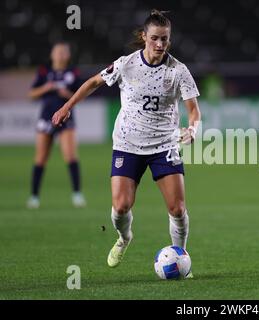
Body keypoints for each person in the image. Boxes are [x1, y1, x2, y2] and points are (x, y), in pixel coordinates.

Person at [52, 10, 201, 275]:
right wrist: (67, 106)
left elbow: (193, 111)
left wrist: (193, 129)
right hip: (127, 145)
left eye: (165, 39)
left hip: (164, 146)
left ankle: (181, 259)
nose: (159, 44)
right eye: (155, 38)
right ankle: (124, 237)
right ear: (144, 36)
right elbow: (93, 82)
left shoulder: (179, 71)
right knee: (121, 207)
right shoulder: (126, 64)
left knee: (177, 209)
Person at [27, 42, 86, 209]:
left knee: (71, 156)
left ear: (68, 55)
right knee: (40, 158)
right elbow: (31, 94)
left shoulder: (73, 73)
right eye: (57, 52)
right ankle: (34, 196)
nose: (60, 55)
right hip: (46, 118)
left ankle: (77, 194)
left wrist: (65, 93)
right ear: (52, 55)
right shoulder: (44, 72)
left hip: (66, 119)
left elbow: (80, 96)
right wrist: (46, 87)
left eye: (63, 52)